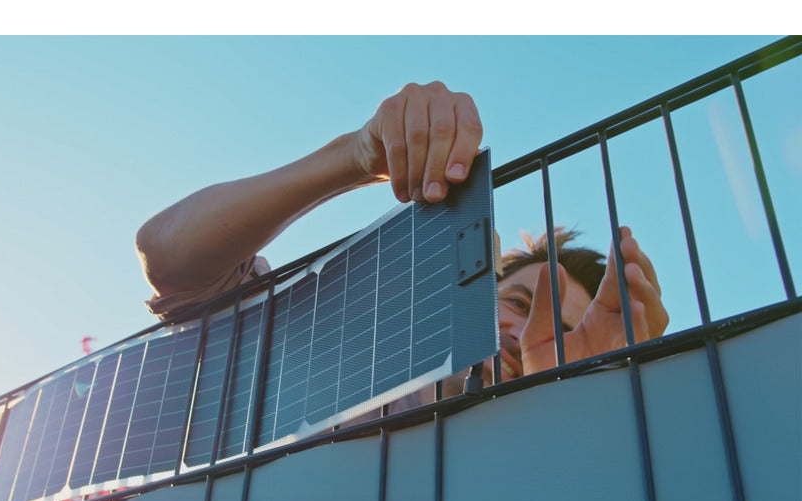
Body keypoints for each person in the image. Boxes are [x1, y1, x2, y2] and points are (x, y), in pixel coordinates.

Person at [136, 82, 668, 394]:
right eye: (518, 303)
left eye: (564, 331)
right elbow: (169, 254)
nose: (526, 333)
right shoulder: (335, 378)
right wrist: (356, 155)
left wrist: (610, 401)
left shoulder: (563, 473)